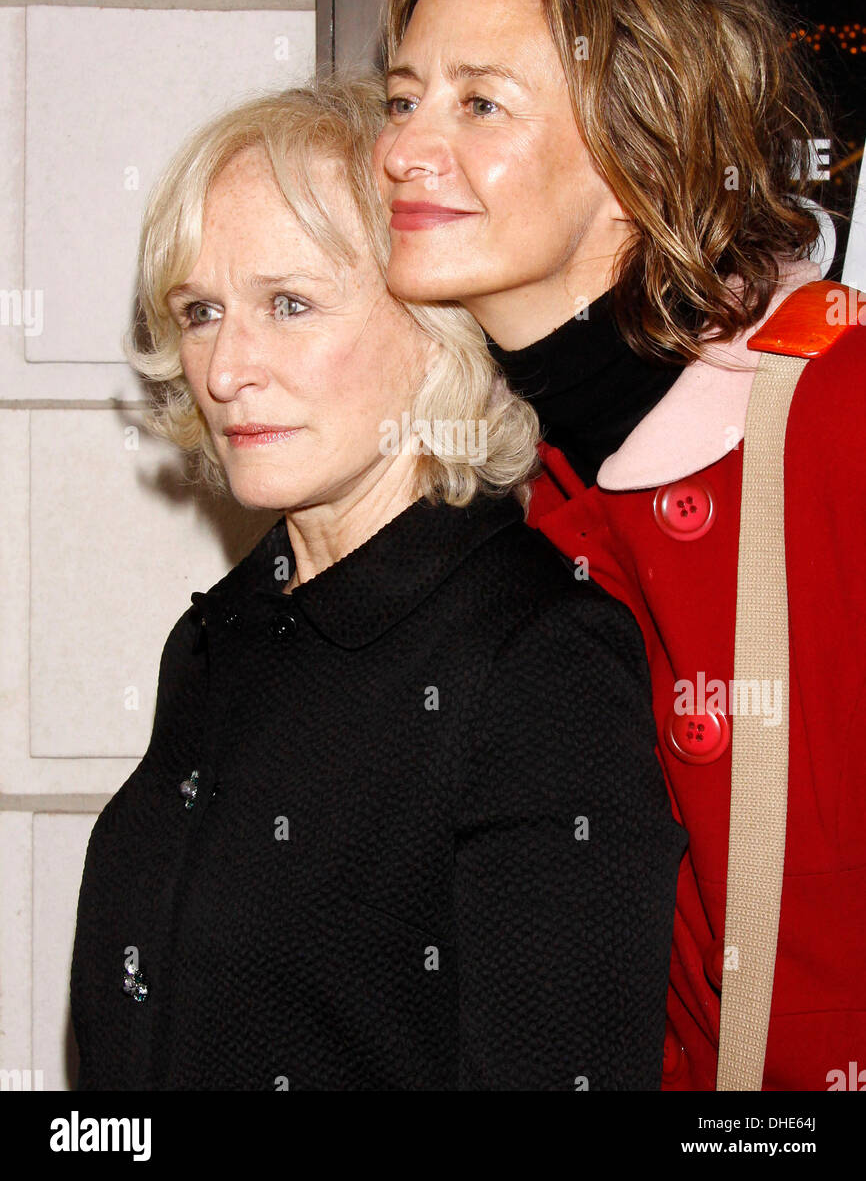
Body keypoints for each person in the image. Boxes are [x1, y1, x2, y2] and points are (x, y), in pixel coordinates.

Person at [69, 74, 686, 1091]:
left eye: (289, 303)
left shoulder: (537, 660)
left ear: (435, 327)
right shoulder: (222, 635)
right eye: (201, 310)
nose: (224, 370)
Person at [372, 0, 866, 1091]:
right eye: (399, 99)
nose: (398, 148)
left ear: (633, 154)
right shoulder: (513, 485)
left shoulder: (835, 419)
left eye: (479, 101)